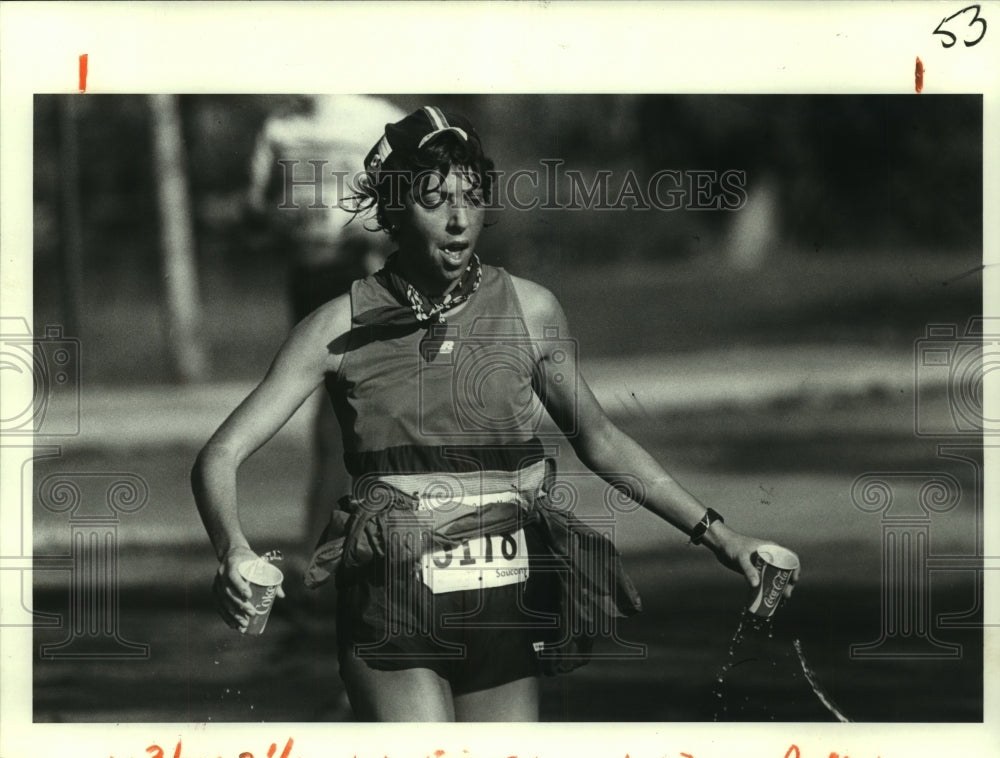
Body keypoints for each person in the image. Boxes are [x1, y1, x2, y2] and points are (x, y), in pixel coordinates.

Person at [193, 105, 800, 722]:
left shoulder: (531, 311)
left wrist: (724, 537)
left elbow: (601, 440)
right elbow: (220, 453)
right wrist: (233, 550)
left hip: (505, 603)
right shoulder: (336, 326)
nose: (459, 220)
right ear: (396, 208)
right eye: (435, 200)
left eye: (471, 197)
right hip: (391, 600)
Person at [245, 94, 406, 540]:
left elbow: (425, 196)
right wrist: (293, 221)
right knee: (340, 408)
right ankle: (335, 540)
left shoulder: (383, 120)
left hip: (368, 273)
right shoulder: (280, 128)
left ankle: (338, 540)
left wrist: (371, 226)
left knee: (363, 406)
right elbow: (255, 209)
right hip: (311, 276)